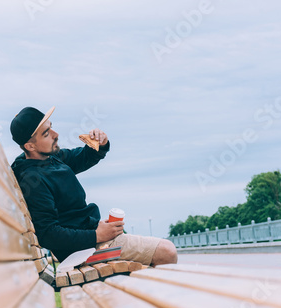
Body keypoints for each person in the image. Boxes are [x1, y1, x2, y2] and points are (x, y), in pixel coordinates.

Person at [10, 106, 177, 266]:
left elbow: (83, 157)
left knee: (157, 257)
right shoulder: (33, 180)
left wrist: (101, 143)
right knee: (167, 251)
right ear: (30, 146)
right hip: (84, 252)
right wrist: (96, 235)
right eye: (46, 134)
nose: (55, 134)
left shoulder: (49, 158)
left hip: (91, 239)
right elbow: (48, 234)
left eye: (51, 127)